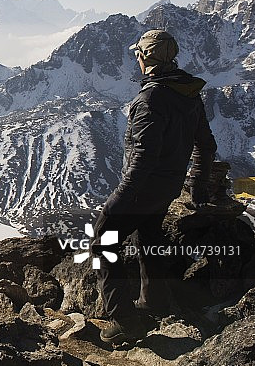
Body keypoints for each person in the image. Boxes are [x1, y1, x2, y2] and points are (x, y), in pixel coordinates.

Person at [93, 29, 217, 345]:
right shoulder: (188, 93)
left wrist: (121, 198)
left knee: (102, 244)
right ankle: (154, 302)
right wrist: (197, 183)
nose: (136, 57)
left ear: (145, 57)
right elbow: (206, 144)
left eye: (138, 53)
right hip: (168, 188)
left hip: (140, 191)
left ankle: (122, 319)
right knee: (149, 238)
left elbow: (143, 157)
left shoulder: (150, 99)